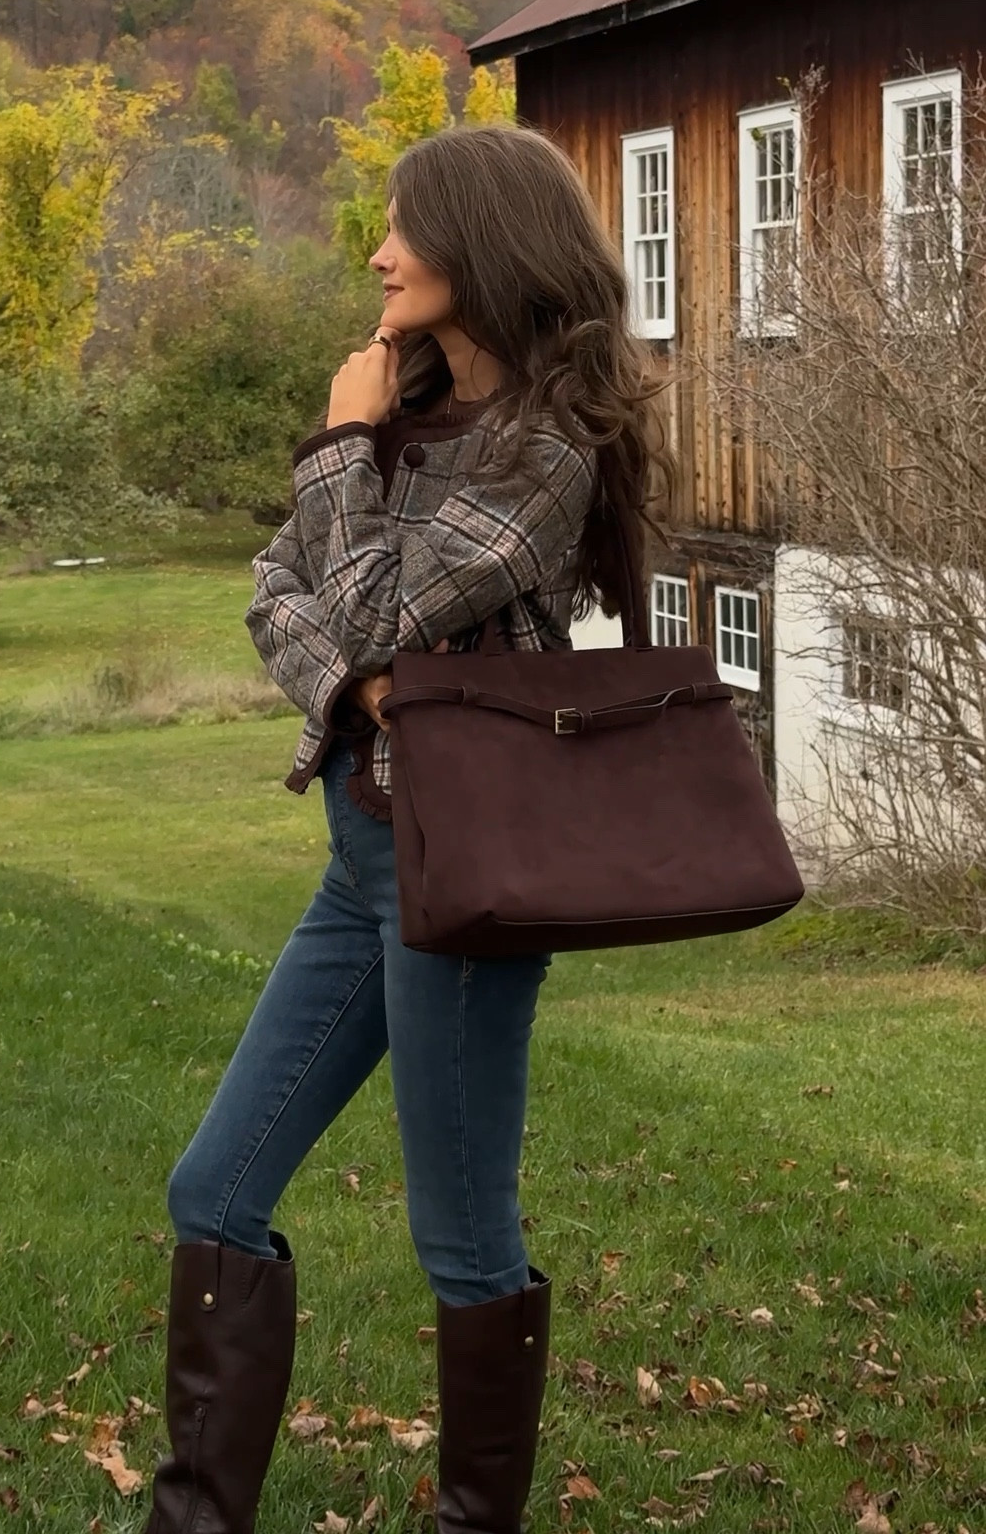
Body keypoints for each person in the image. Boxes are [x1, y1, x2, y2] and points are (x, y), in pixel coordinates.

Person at [142, 124, 674, 1534]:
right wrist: (365, 679)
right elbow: (279, 591)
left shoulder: (547, 449)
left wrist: (336, 455)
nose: (377, 253)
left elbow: (366, 597)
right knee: (216, 1187)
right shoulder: (402, 401)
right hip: (360, 858)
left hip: (470, 888)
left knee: (460, 1239)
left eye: (401, 229)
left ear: (480, 245)